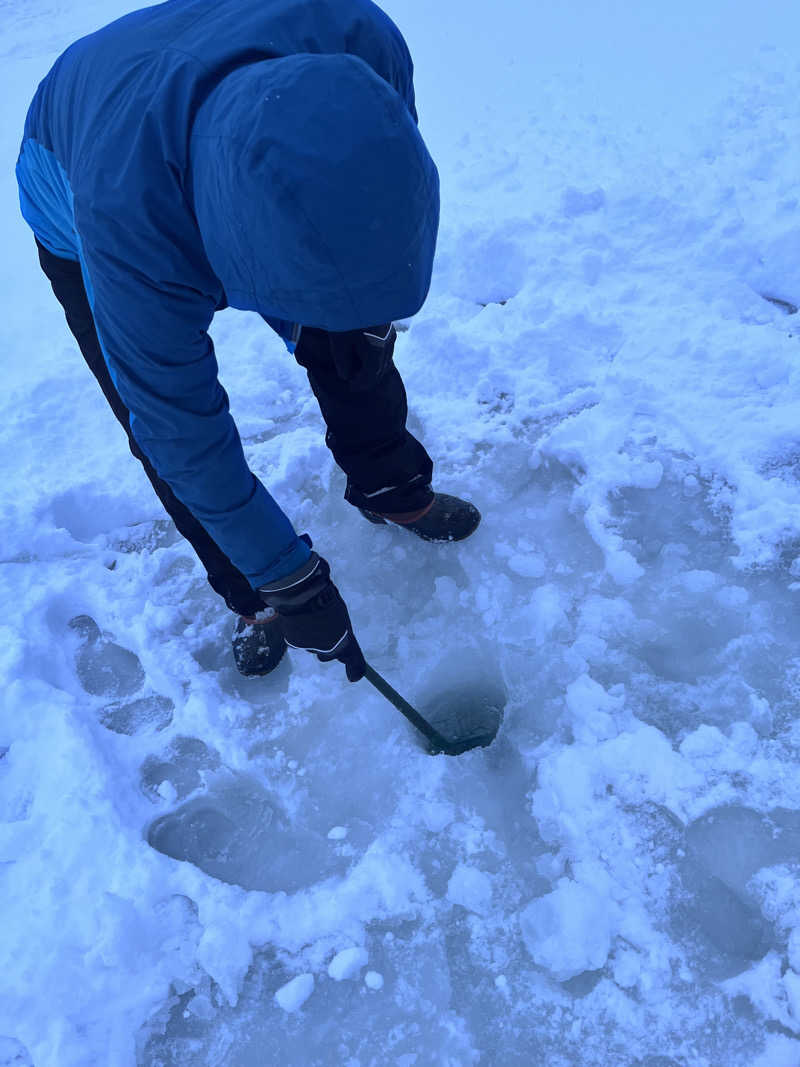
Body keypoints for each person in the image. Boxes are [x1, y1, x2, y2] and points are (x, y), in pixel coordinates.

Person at [16, 0, 480, 683]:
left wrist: (353, 309)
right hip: (80, 164)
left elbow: (376, 187)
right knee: (155, 425)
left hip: (202, 80)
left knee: (354, 333)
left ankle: (390, 482)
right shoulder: (129, 228)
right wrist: (287, 580)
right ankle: (253, 596)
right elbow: (183, 433)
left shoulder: (361, 40)